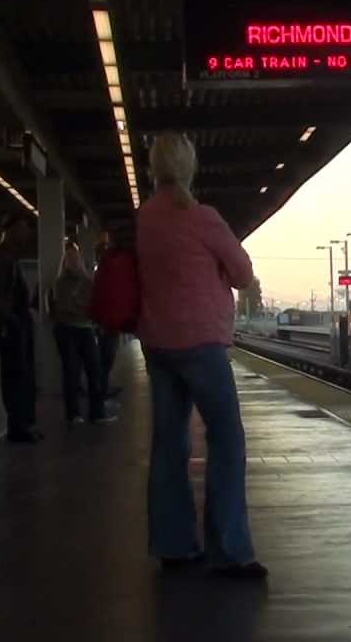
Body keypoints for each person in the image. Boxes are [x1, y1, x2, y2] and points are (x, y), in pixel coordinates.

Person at [136, 132, 265, 579]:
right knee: (226, 439)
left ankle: (173, 545)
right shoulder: (202, 218)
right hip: (201, 344)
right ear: (190, 168)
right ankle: (228, 550)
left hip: (158, 342)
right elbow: (243, 274)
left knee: (169, 443)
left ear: (154, 170)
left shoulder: (145, 219)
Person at [0, 213, 42, 444]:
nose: (26, 233)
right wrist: (10, 322)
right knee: (15, 376)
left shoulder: (9, 256)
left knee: (23, 375)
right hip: (10, 325)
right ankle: (17, 427)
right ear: (11, 229)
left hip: (17, 322)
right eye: (23, 228)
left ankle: (24, 424)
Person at [51, 241, 115, 425]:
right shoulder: (61, 283)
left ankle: (95, 412)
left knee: (94, 370)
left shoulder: (86, 282)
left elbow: (81, 306)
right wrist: (83, 309)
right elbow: (66, 307)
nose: (73, 263)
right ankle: (74, 413)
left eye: (75, 259)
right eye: (70, 260)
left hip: (82, 328)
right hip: (69, 329)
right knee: (71, 372)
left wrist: (78, 308)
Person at [93, 228, 133, 398]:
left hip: (107, 321)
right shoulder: (111, 264)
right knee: (106, 357)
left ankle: (102, 389)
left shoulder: (104, 267)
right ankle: (100, 392)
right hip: (108, 322)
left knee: (106, 357)